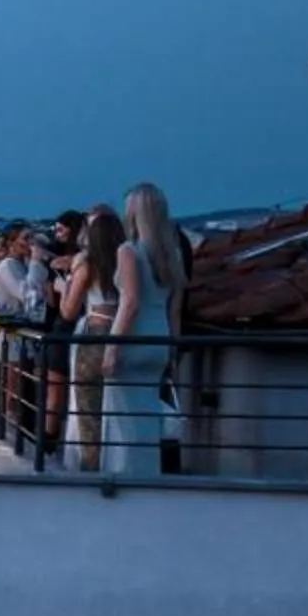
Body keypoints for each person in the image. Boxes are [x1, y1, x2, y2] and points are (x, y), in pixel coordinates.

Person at [104, 180, 186, 476]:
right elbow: (174, 309)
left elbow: (130, 302)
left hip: (133, 340)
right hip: (159, 340)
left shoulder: (128, 251)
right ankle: (148, 477)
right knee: (148, 419)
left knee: (123, 420)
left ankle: (121, 479)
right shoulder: (172, 255)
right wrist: (173, 355)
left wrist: (112, 349)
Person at [60, 204, 123, 471]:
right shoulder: (128, 258)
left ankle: (90, 467)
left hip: (94, 333)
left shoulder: (86, 263)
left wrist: (63, 288)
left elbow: (68, 311)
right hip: (123, 333)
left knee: (87, 408)